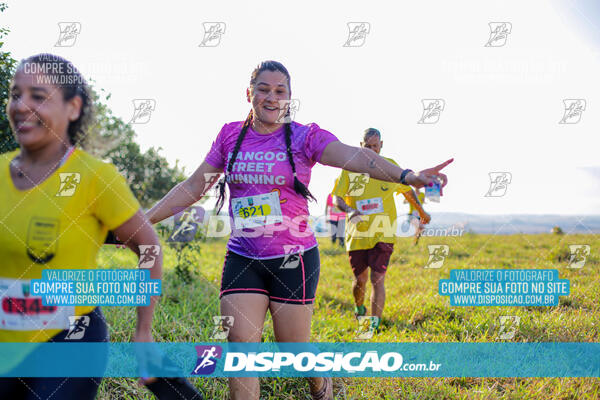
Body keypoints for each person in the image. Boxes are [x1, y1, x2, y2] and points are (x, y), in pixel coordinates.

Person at [146, 60, 452, 400]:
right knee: (241, 352)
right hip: (243, 258)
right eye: (263, 89)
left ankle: (321, 385)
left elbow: (355, 157)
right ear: (249, 94)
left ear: (290, 98)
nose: (272, 98)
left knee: (294, 352)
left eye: (280, 91)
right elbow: (193, 187)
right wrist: (144, 220)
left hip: (294, 260)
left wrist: (407, 175)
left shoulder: (304, 137)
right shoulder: (230, 135)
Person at [0, 54, 200, 400]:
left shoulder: (96, 178)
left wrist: (143, 332)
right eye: (15, 94)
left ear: (73, 107)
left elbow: (149, 248)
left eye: (38, 96)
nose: (21, 105)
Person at [332, 128, 431, 332]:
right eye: (367, 147)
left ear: (381, 145)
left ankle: (372, 326)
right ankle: (360, 308)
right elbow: (337, 198)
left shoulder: (390, 167)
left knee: (378, 279)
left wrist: (421, 211)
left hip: (384, 233)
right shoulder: (349, 169)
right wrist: (350, 211)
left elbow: (407, 190)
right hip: (357, 234)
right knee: (360, 280)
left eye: (375, 146)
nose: (371, 150)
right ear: (361, 146)